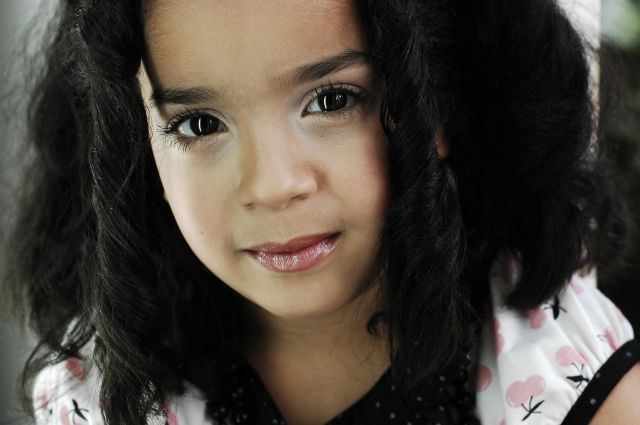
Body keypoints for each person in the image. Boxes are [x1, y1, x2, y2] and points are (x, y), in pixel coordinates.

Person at [4, 0, 639, 424]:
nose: (273, 185)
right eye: (200, 124)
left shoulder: (570, 378)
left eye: (332, 100)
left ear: (438, 103)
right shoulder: (99, 395)